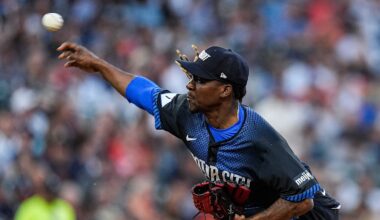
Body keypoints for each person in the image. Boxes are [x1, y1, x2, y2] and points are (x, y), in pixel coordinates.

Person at [57, 42, 340, 220]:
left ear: (225, 90)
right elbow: (142, 92)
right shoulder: (188, 113)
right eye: (191, 77)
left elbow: (302, 201)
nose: (190, 85)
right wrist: (98, 64)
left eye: (200, 80)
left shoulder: (259, 138)